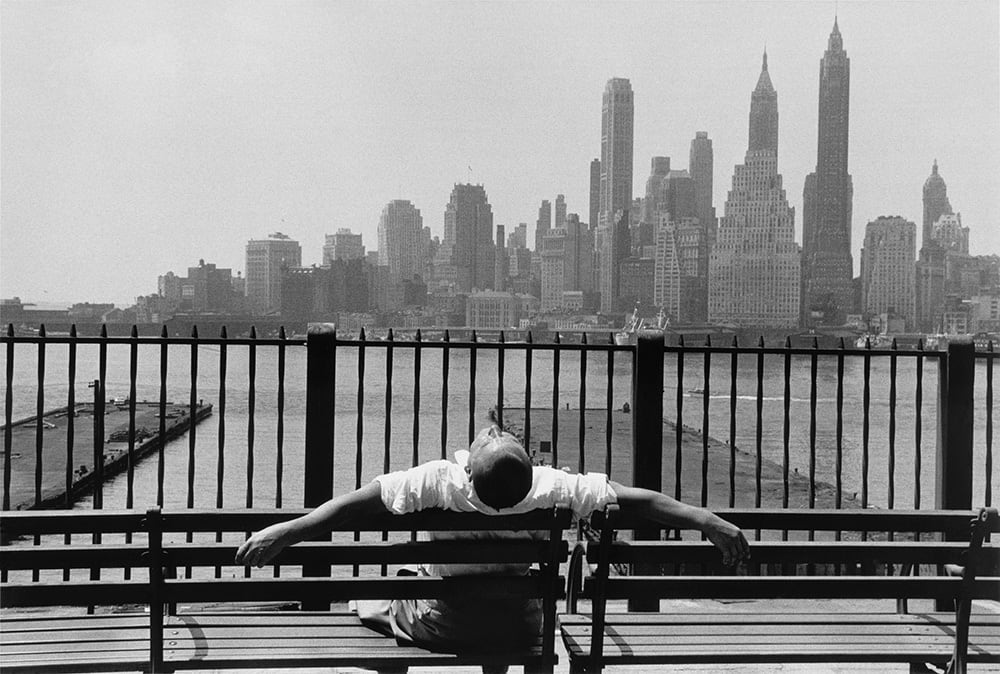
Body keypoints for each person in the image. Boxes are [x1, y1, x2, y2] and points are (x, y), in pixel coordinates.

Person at [236, 424, 750, 661]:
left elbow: (357, 502)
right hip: (522, 623)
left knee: (377, 594)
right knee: (505, 596)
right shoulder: (550, 488)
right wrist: (706, 519)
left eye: (490, 436)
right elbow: (634, 501)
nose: (489, 429)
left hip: (448, 623)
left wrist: (288, 530)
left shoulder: (440, 481)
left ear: (471, 471)